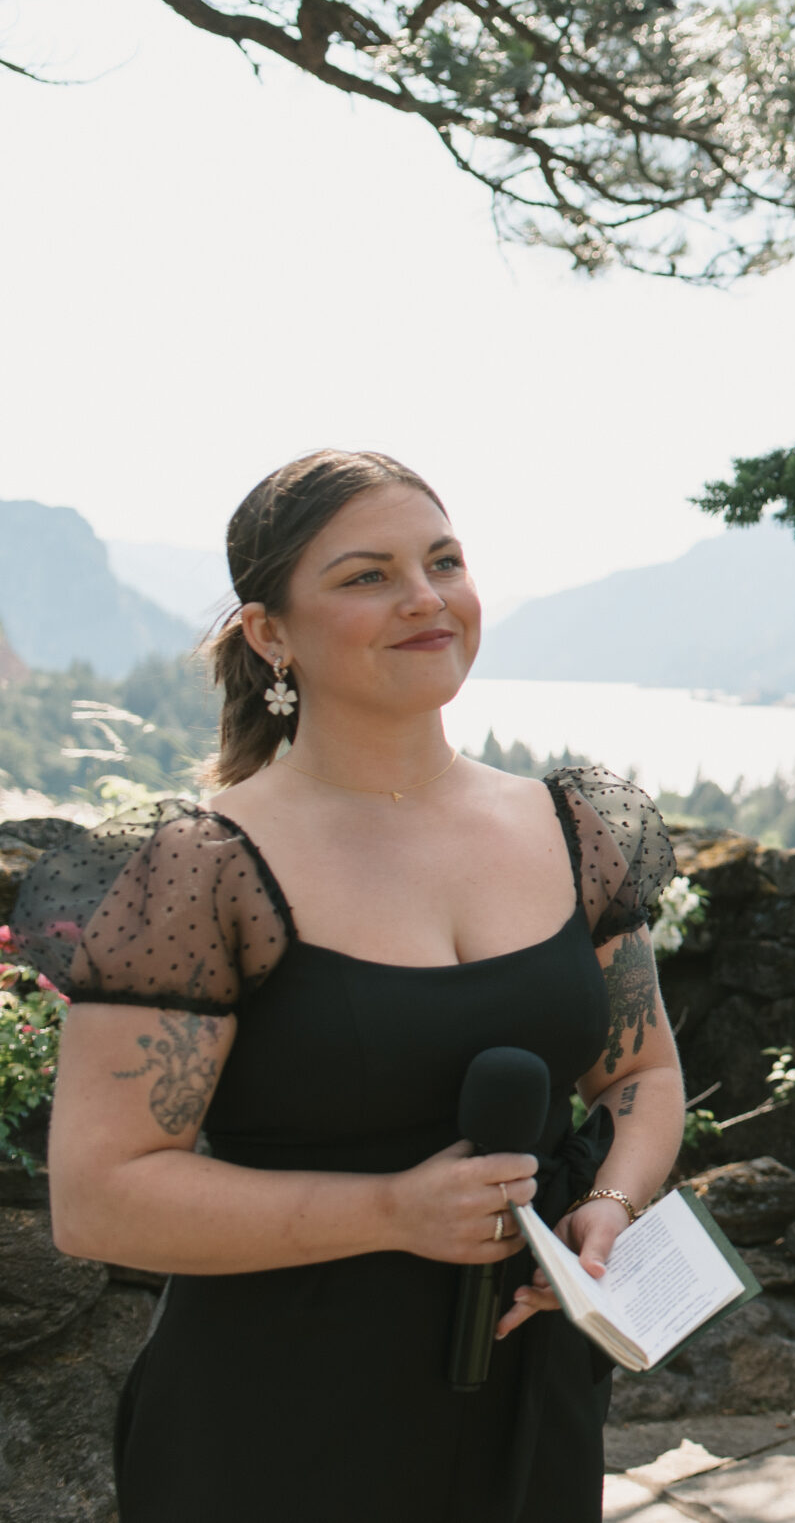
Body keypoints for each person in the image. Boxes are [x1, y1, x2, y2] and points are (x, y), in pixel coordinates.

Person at [11, 451, 685, 1523]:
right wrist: (387, 1209)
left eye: (444, 560)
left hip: (528, 1390)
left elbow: (641, 1071)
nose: (425, 597)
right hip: (281, 1414)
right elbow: (98, 1200)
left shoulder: (577, 827)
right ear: (270, 635)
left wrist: (609, 1206)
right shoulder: (201, 868)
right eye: (366, 574)